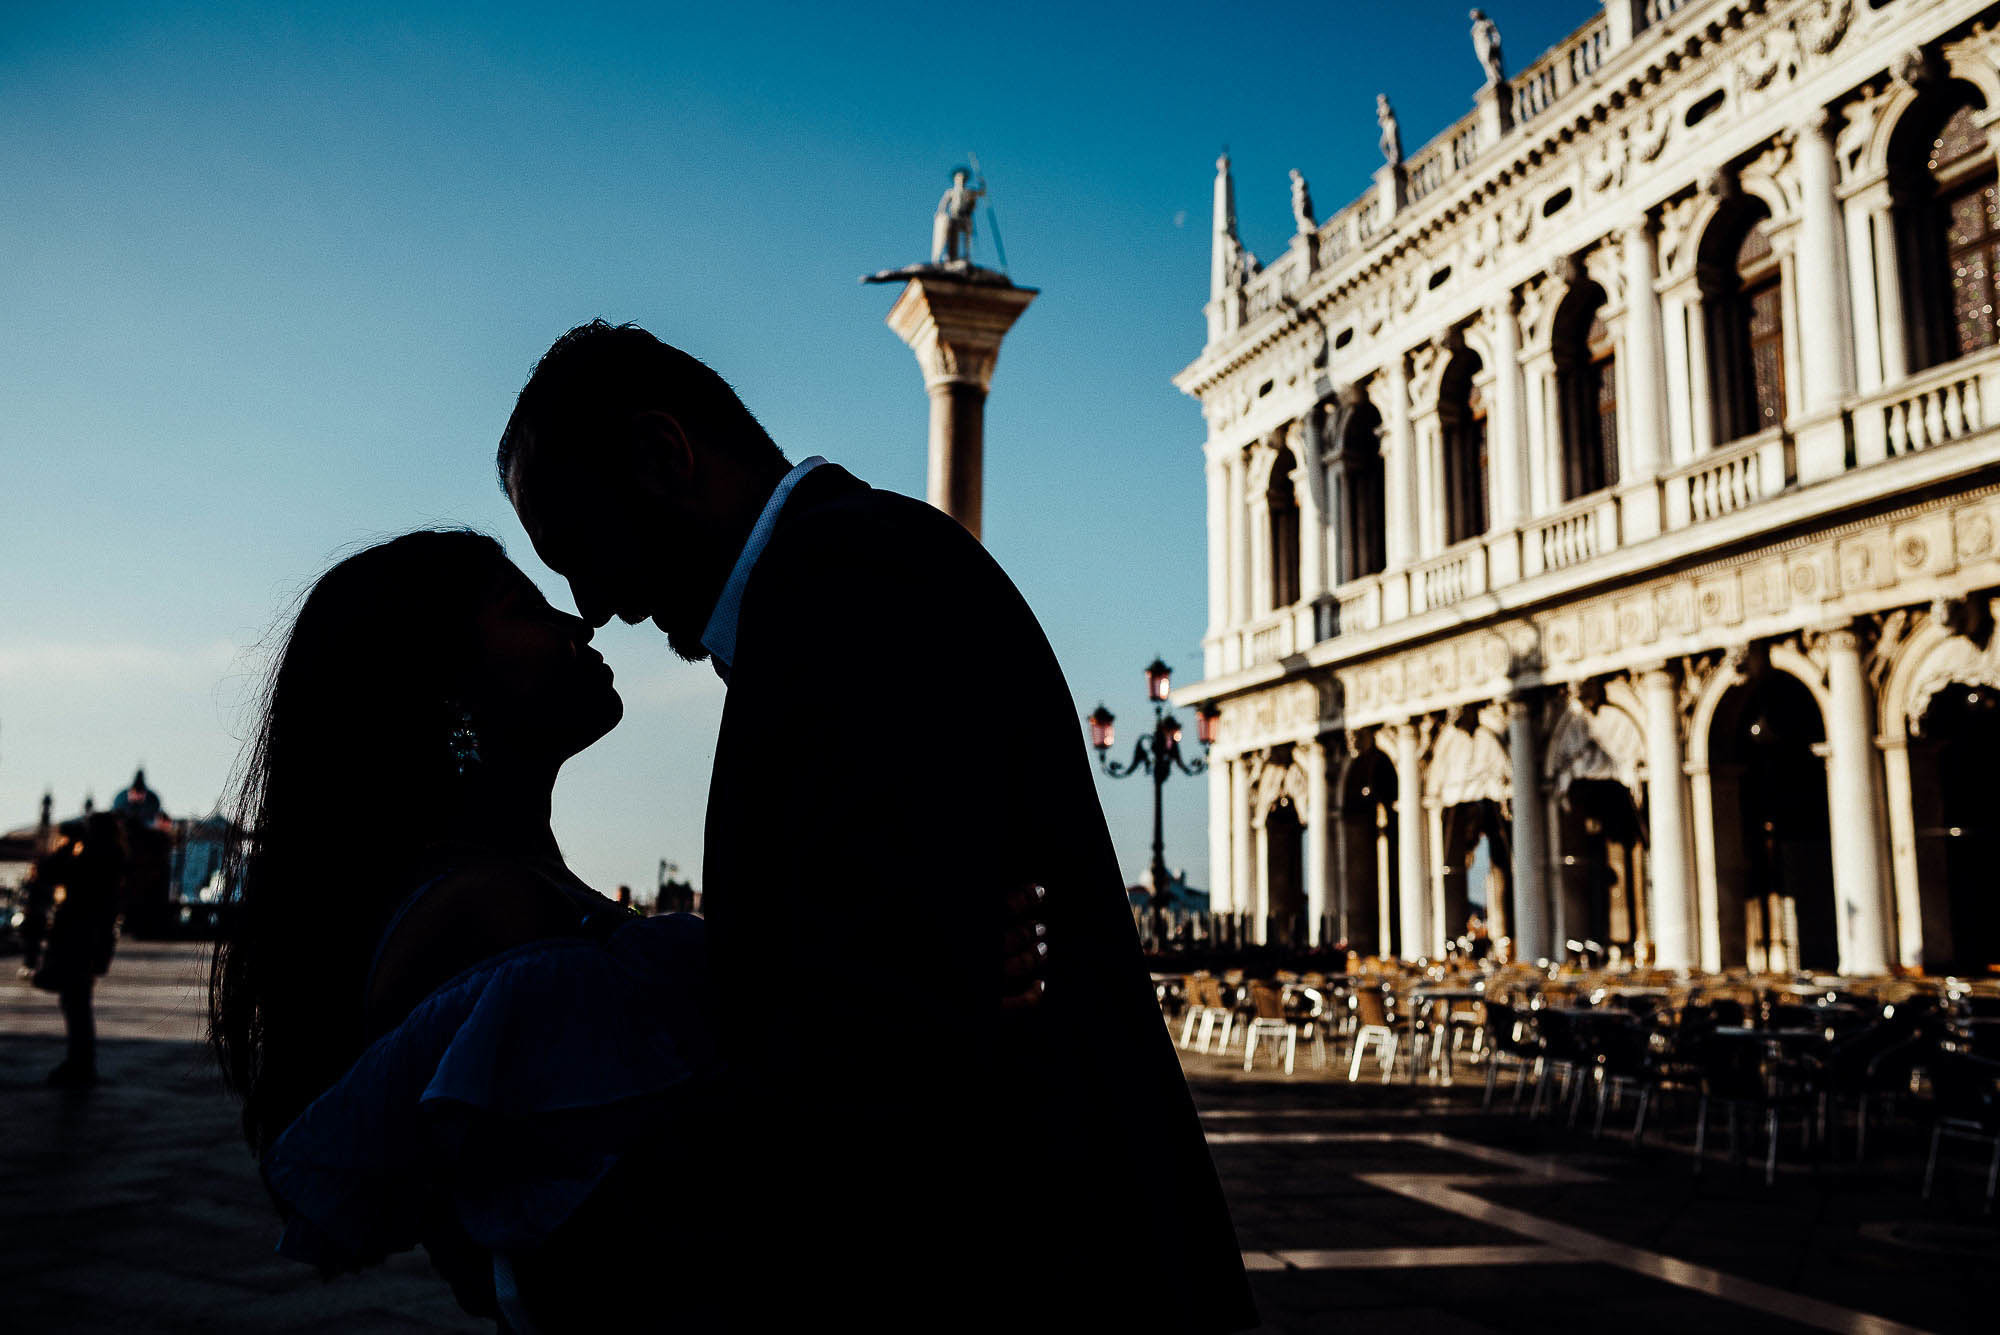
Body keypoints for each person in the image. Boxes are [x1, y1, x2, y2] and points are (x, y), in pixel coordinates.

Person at [498, 321, 1256, 1331]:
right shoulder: (845, 570)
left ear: (661, 455)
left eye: (581, 550)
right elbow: (895, 966)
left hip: (1011, 1268)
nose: (592, 604)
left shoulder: (845, 579)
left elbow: (872, 1033)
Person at [211, 531, 1049, 1331]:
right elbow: (695, 1184)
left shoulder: (506, 885)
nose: (580, 621)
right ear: (451, 689)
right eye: (527, 608)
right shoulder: (482, 911)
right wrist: (923, 997)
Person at [33, 812, 127, 1088]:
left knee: (76, 1003)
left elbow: (49, 871)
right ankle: (80, 1062)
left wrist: (67, 844)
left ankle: (80, 1065)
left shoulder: (95, 859)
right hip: (90, 940)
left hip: (78, 939)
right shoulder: (111, 857)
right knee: (77, 1002)